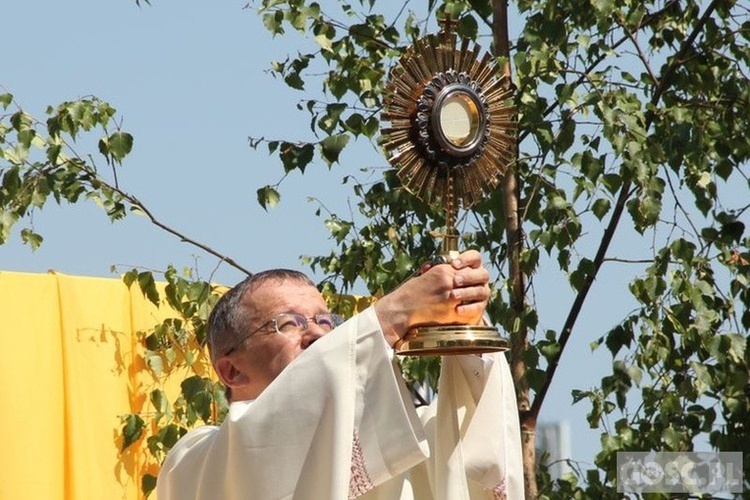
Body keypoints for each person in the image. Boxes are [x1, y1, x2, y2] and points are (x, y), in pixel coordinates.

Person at [156, 250, 523, 499]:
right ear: (231, 370)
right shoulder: (191, 465)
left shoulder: (401, 435)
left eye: (325, 321)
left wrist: (463, 322)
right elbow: (262, 444)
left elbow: (468, 450)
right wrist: (397, 311)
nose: (317, 333)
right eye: (289, 323)